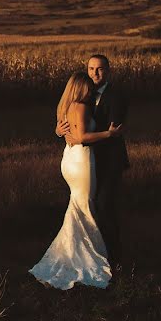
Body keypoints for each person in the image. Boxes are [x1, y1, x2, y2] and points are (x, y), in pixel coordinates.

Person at [29, 71, 122, 289]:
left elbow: (68, 132)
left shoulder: (65, 106)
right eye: (88, 87)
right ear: (81, 88)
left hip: (70, 159)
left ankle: (74, 250)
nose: (90, 90)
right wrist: (109, 134)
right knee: (85, 206)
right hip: (81, 160)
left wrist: (59, 132)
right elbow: (81, 137)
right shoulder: (80, 106)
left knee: (78, 206)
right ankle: (85, 256)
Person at [56, 54, 129, 272]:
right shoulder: (83, 98)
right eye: (90, 69)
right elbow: (74, 128)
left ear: (108, 70)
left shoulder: (116, 96)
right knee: (90, 205)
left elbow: (115, 131)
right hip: (84, 160)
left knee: (104, 206)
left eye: (99, 69)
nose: (95, 73)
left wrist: (84, 136)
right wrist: (59, 131)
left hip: (108, 161)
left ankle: (114, 257)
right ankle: (91, 254)